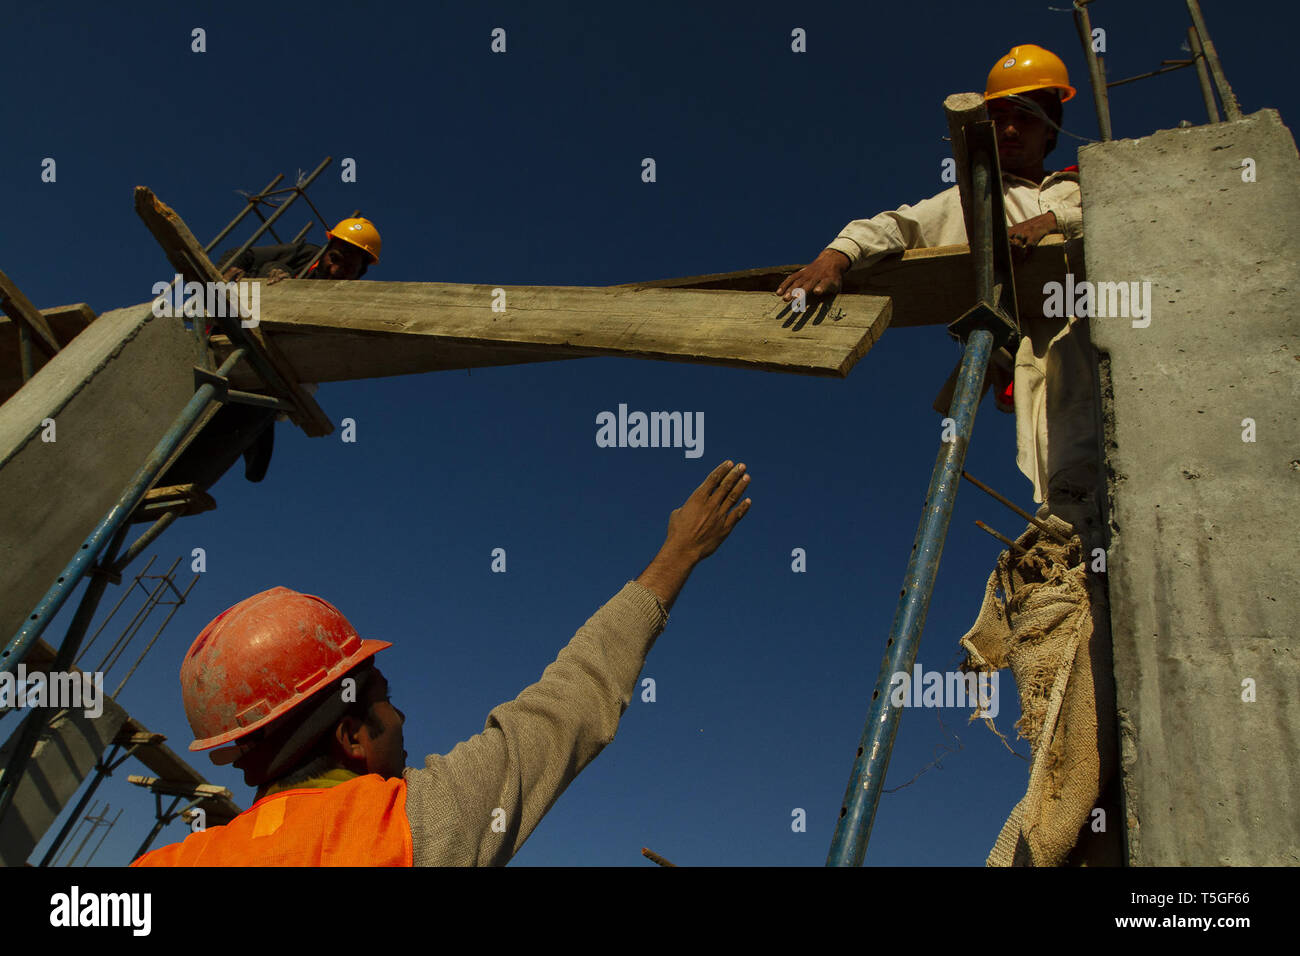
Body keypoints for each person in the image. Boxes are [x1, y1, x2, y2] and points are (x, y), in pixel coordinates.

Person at [131, 460, 754, 866]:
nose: (400, 715)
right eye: (383, 698)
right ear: (351, 735)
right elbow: (564, 709)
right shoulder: (398, 832)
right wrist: (676, 557)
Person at [775, 44, 1097, 518]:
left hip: (1116, 334)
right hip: (1053, 351)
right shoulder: (979, 199)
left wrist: (1054, 220)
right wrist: (837, 255)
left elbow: (1131, 216)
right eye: (1000, 117)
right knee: (1070, 477)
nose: (1009, 130)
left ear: (1050, 128)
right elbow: (897, 226)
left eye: (1025, 118)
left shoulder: (1084, 184)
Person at [161, 217, 382, 487]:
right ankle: (257, 428)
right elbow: (247, 255)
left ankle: (257, 430)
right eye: (338, 255)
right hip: (240, 324)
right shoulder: (305, 254)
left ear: (360, 272)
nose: (340, 266)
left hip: (280, 355)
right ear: (328, 249)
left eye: (351, 264)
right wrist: (227, 273)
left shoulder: (346, 300)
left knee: (282, 393)